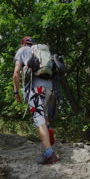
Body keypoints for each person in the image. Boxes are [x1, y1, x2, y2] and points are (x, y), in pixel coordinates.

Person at [13, 36, 59, 165]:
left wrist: (16, 92)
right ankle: (48, 132)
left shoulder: (22, 50)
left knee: (38, 119)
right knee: (43, 116)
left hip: (36, 89)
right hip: (50, 88)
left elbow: (16, 72)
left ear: (23, 44)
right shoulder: (42, 51)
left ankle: (49, 153)